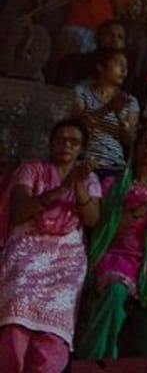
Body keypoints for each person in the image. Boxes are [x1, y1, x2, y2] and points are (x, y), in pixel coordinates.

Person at [0, 119, 100, 373]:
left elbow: (92, 219)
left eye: (74, 142)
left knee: (55, 321)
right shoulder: (32, 169)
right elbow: (19, 211)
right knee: (18, 305)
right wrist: (62, 188)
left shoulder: (89, 179)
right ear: (51, 143)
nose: (66, 145)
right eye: (61, 140)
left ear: (81, 149)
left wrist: (78, 185)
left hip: (66, 253)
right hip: (28, 244)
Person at [77, 125, 147, 359]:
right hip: (118, 254)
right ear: (135, 150)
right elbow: (107, 229)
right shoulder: (115, 185)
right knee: (115, 291)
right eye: (146, 142)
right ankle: (96, 362)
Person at [71, 47, 139, 177]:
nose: (124, 70)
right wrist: (108, 108)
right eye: (118, 63)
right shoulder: (82, 92)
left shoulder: (130, 101)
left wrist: (119, 115)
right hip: (85, 162)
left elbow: (130, 142)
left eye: (126, 66)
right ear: (101, 67)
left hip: (115, 165)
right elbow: (76, 128)